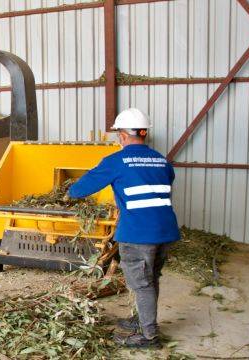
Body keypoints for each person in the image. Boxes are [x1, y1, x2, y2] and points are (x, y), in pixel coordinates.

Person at [68, 108, 180, 348]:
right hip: (165, 230)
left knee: (141, 283)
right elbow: (165, 181)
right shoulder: (162, 160)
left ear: (123, 135)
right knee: (151, 279)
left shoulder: (116, 161)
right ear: (144, 133)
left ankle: (149, 337)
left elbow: (79, 190)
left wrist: (68, 193)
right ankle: (142, 319)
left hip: (138, 233)